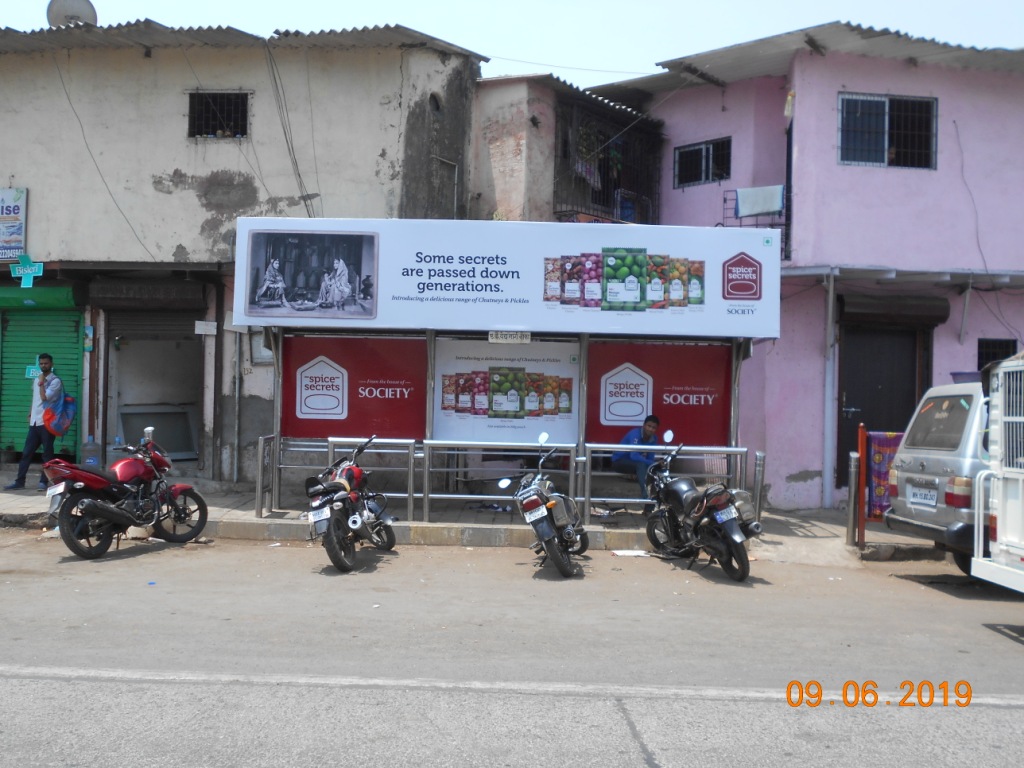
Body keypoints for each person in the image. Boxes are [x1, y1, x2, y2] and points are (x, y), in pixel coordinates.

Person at [5, 353, 63, 491]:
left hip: (47, 423)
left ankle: (44, 482)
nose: (43, 366)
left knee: (47, 455)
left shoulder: (55, 381)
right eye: (41, 363)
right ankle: (19, 481)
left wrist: (42, 382)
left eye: (46, 363)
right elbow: (36, 399)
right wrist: (31, 412)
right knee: (26, 453)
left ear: (51, 364)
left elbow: (44, 397)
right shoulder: (37, 380)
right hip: (35, 422)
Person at [610, 414, 661, 502]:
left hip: (634, 464)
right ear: (644, 425)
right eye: (649, 426)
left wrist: (654, 465)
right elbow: (634, 456)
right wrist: (651, 463)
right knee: (642, 465)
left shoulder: (654, 438)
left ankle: (653, 502)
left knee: (653, 468)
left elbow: (650, 457)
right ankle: (647, 498)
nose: (650, 429)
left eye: (653, 428)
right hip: (619, 462)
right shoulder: (635, 433)